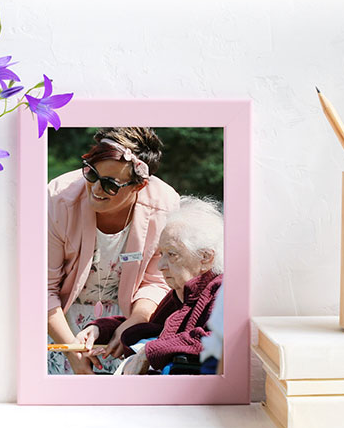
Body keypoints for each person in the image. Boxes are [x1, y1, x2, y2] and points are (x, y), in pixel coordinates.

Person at [47, 127, 180, 375]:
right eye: (91, 174)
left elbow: (156, 281)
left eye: (110, 184)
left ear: (138, 186)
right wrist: (71, 349)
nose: (96, 190)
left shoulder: (165, 206)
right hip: (60, 321)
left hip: (128, 319)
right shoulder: (58, 200)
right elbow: (43, 288)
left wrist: (134, 324)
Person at [77, 197, 224, 375]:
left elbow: (212, 339)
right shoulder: (180, 294)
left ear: (206, 257)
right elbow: (154, 329)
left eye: (172, 254)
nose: (161, 265)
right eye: (161, 254)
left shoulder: (221, 291)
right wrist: (101, 329)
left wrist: (149, 352)